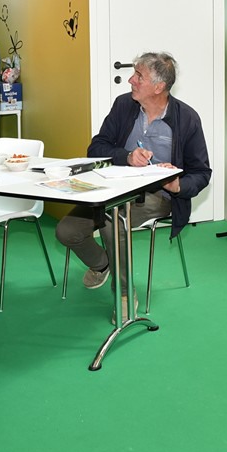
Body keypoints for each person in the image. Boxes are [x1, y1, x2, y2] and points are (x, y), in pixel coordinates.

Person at [55, 51, 211, 311]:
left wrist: (177, 185)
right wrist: (126, 157)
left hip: (158, 196)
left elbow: (201, 172)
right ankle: (102, 264)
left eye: (139, 75)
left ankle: (125, 293)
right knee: (67, 231)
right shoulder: (123, 105)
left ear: (159, 87)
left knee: (112, 219)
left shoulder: (186, 119)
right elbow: (96, 148)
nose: (131, 80)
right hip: (112, 188)